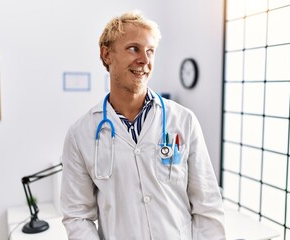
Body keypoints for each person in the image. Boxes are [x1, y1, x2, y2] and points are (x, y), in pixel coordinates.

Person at [60, 10, 226, 240]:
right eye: (133, 48)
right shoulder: (81, 134)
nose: (144, 60)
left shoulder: (184, 121)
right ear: (107, 54)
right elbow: (77, 215)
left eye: (150, 51)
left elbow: (207, 204)